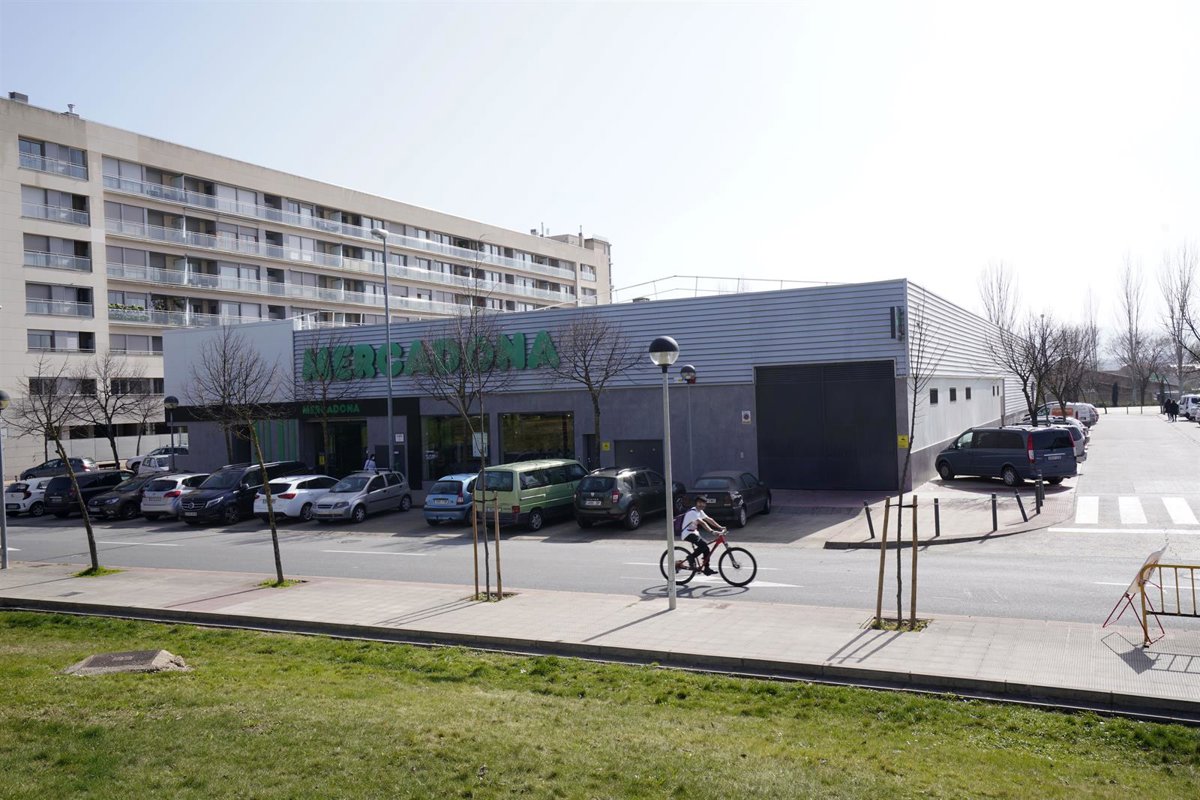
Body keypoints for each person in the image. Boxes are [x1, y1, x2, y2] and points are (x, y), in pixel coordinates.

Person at [680, 496, 725, 575]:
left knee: (706, 548)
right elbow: (702, 523)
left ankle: (707, 568)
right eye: (700, 503)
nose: (702, 505)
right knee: (703, 545)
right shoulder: (692, 512)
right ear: (696, 503)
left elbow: (709, 519)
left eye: (703, 503)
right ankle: (690, 557)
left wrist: (720, 527)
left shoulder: (700, 511)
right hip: (687, 533)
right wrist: (712, 531)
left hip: (694, 532)